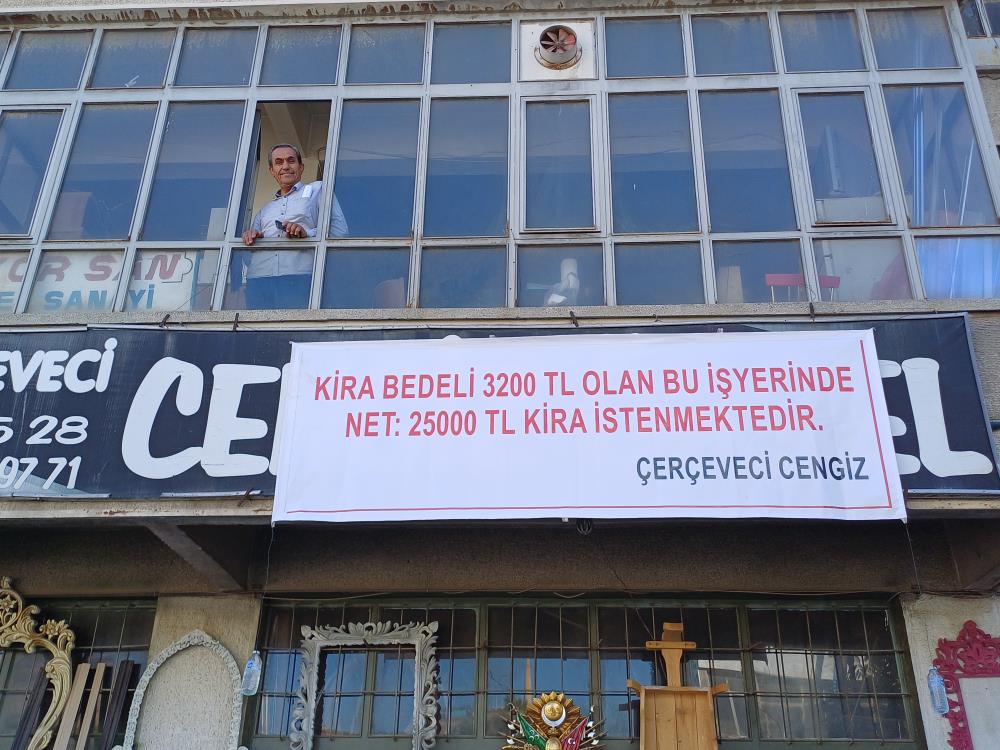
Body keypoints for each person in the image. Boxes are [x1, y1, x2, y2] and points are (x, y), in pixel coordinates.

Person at [237, 143, 348, 308]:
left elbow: (340, 232)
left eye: (291, 161)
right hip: (258, 280)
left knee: (297, 324)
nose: (285, 166)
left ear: (301, 167)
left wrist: (307, 234)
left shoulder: (318, 189)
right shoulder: (265, 210)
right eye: (279, 162)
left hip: (299, 276)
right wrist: (250, 238)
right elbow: (247, 259)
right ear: (272, 171)